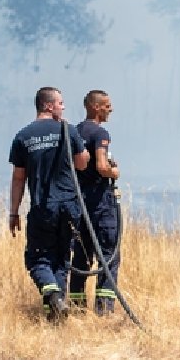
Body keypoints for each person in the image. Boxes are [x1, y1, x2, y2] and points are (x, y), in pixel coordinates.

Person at [9, 86, 90, 323]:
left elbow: (18, 178)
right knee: (61, 259)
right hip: (69, 206)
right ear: (48, 105)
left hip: (43, 208)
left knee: (39, 259)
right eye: (60, 103)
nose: (63, 107)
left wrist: (14, 212)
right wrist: (81, 149)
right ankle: (56, 314)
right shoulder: (68, 130)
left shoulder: (23, 136)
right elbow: (82, 164)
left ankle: (54, 297)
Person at [69, 90, 122, 316]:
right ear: (95, 107)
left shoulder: (74, 132)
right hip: (100, 204)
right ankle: (104, 310)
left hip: (79, 204)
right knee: (109, 256)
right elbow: (101, 166)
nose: (111, 109)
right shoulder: (101, 133)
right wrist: (113, 172)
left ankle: (76, 308)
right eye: (107, 106)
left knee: (81, 257)